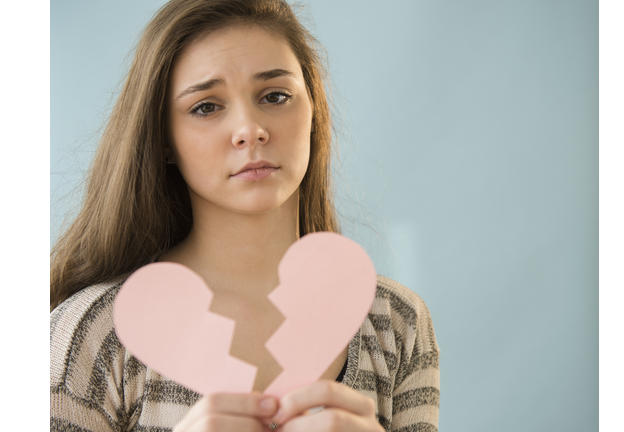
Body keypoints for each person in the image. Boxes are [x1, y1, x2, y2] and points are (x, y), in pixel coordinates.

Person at [49, 0, 440, 430]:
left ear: (314, 111)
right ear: (163, 139)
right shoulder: (89, 334)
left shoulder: (396, 321)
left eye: (275, 96)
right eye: (206, 107)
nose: (250, 129)